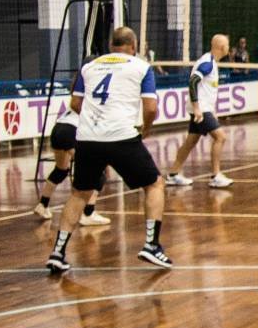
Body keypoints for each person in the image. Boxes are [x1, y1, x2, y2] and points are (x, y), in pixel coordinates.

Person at [45, 27, 171, 273]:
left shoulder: (90, 66)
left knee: (79, 193)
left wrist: (95, 120)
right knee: (155, 184)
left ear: (111, 45)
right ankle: (151, 245)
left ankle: (57, 253)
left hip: (88, 138)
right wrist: (146, 128)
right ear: (133, 46)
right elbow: (151, 108)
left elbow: (75, 103)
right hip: (121, 135)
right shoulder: (141, 66)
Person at [165, 34, 234, 189]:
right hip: (201, 109)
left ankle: (173, 174)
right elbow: (193, 81)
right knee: (220, 137)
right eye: (228, 45)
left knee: (191, 141)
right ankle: (216, 176)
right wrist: (197, 108)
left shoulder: (211, 62)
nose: (229, 48)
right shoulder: (207, 63)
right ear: (222, 47)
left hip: (203, 108)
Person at [33, 88, 109, 225]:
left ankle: (43, 204)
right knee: (96, 172)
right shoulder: (97, 100)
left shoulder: (80, 97)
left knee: (61, 170)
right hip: (71, 131)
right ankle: (88, 213)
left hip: (58, 129)